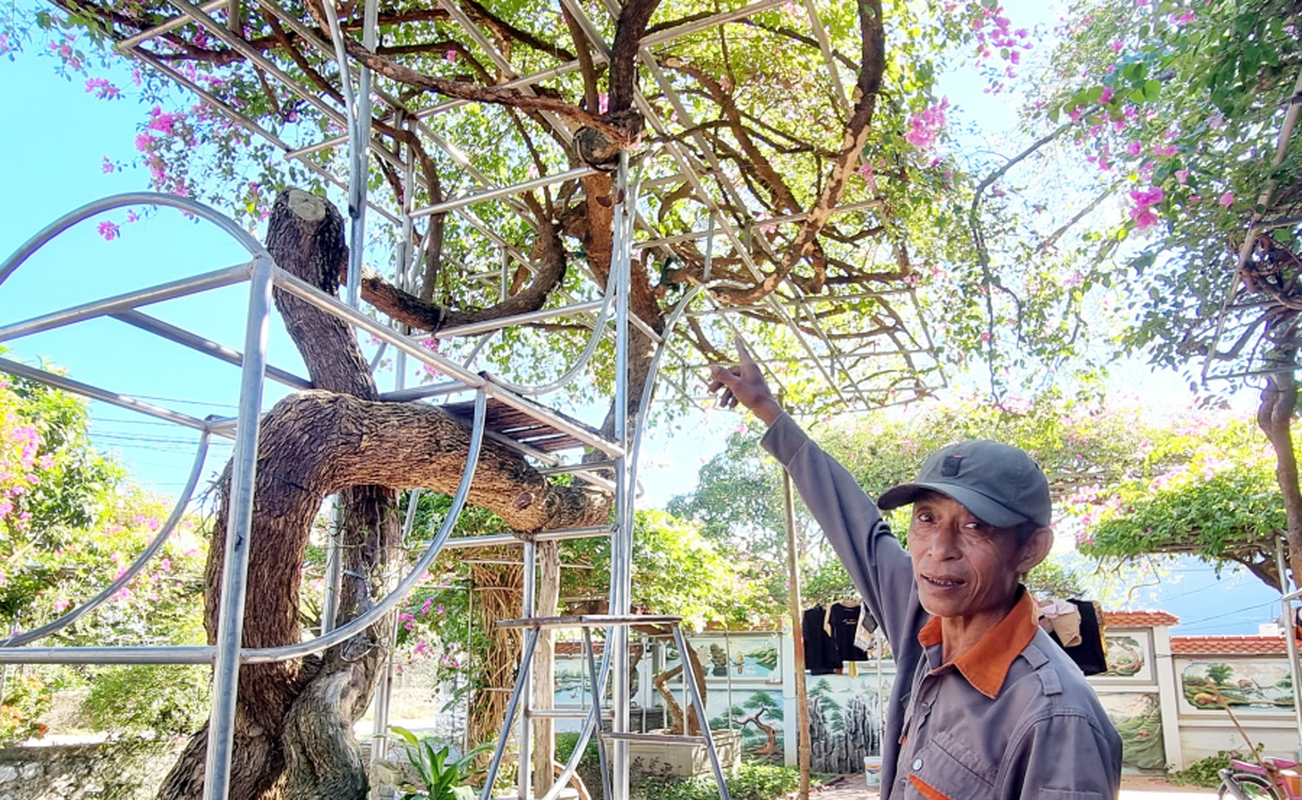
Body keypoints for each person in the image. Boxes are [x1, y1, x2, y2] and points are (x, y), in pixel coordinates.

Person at [708, 338, 1122, 800]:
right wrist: (770, 413)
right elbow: (857, 527)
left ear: (1030, 549)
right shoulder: (925, 617)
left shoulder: (1057, 718)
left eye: (976, 526)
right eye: (926, 518)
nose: (938, 550)